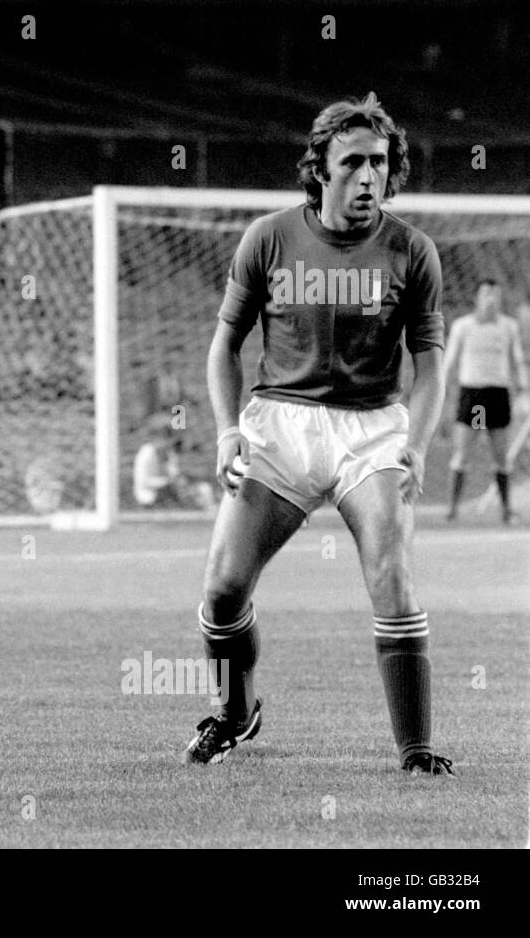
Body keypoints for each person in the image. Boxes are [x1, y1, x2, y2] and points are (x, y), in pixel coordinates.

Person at [184, 93, 453, 775]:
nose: (370, 176)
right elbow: (225, 346)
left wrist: (414, 445)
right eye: (355, 162)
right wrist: (225, 432)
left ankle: (416, 752)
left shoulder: (412, 251)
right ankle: (235, 712)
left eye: (381, 163)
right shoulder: (268, 237)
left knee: (392, 581)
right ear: (321, 169)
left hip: (370, 433)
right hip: (279, 427)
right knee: (222, 590)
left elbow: (429, 364)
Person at [443, 279, 528, 522]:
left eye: (496, 296)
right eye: (487, 294)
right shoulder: (463, 326)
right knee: (463, 452)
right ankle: (452, 509)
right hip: (474, 397)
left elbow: (517, 358)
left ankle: (505, 509)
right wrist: (442, 386)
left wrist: (523, 385)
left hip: (497, 396)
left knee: (501, 455)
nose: (491, 300)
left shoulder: (508, 327)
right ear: (477, 299)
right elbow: (450, 359)